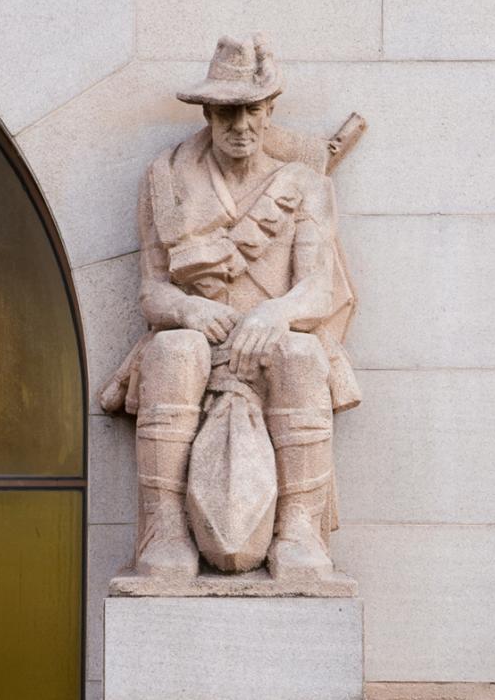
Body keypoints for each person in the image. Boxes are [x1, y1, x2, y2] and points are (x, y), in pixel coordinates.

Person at [101, 34, 361, 581]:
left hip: (271, 338)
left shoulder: (306, 186)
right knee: (173, 348)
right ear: (208, 112)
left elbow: (317, 288)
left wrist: (275, 314)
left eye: (251, 112)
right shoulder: (167, 181)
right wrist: (192, 312)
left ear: (269, 112)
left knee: (300, 355)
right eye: (226, 113)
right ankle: (164, 528)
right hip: (202, 339)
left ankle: (300, 528)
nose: (240, 127)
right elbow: (152, 292)